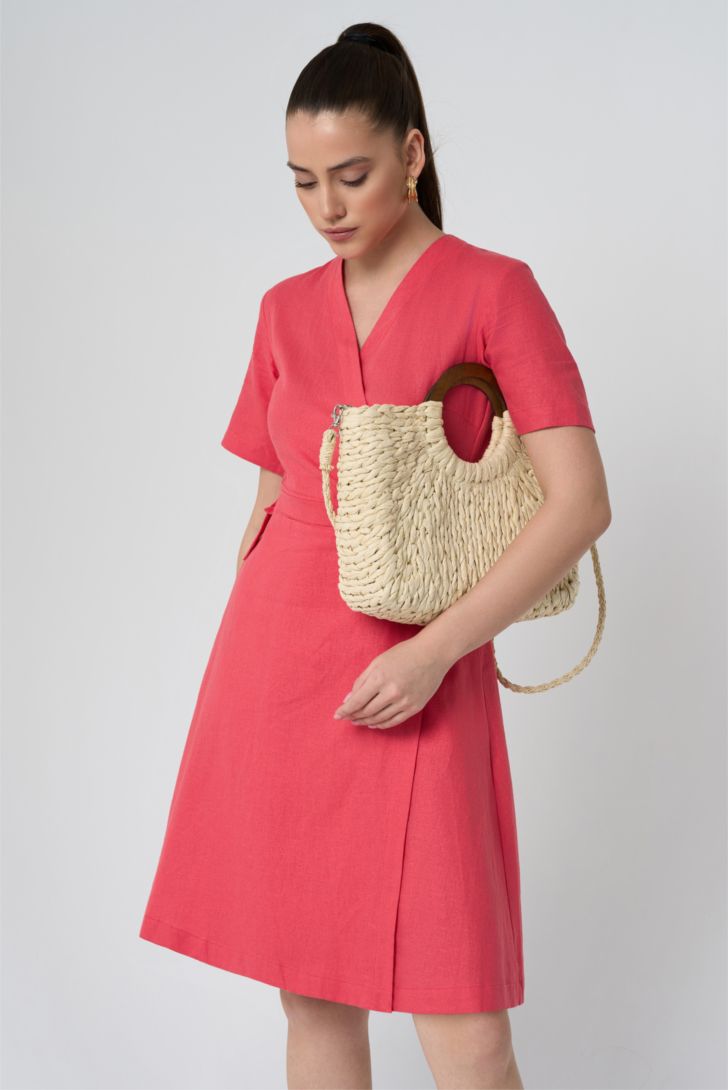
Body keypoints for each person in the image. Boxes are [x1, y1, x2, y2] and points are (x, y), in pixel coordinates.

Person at [139, 21, 611, 1090]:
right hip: (280, 673)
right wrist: (249, 660)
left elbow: (580, 502)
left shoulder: (494, 288)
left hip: (424, 671)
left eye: (350, 175)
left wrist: (434, 652)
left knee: (467, 1029)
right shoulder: (281, 311)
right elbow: (269, 503)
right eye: (302, 182)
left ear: (412, 152)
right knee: (312, 998)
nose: (327, 208)